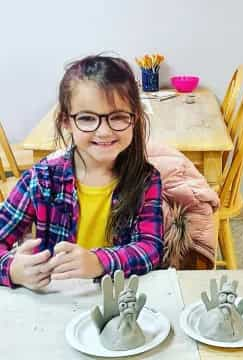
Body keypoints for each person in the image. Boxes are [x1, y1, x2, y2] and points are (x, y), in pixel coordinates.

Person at [0, 55, 163, 289]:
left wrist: (98, 262)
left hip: (120, 297)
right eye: (87, 118)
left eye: (117, 117)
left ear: (134, 118)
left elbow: (151, 248)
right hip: (57, 300)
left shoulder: (147, 179)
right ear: (66, 122)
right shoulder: (41, 180)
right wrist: (13, 270)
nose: (104, 131)